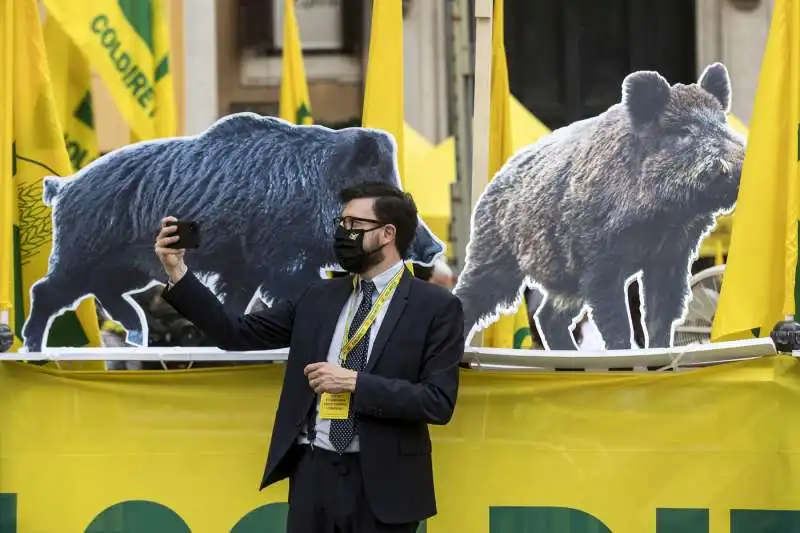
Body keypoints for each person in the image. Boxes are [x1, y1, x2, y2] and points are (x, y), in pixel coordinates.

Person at [155, 181, 465, 533]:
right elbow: (233, 331)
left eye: (353, 225)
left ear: (387, 234)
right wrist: (177, 271)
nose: (341, 234)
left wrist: (355, 383)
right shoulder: (318, 297)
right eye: (340, 223)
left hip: (384, 484)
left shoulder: (437, 307)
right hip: (313, 474)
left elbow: (437, 402)